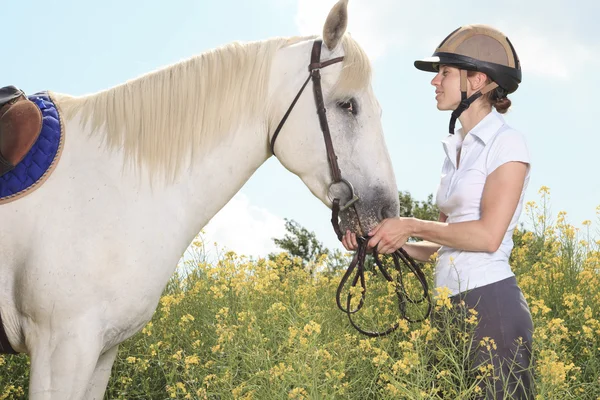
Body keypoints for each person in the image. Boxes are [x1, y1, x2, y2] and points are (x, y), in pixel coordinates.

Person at [342, 24, 534, 398]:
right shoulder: (455, 150)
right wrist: (384, 242)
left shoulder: (507, 143)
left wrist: (410, 224)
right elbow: (442, 247)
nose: (436, 82)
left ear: (477, 80)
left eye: (445, 72)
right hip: (449, 310)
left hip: (490, 304)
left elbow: (487, 236)